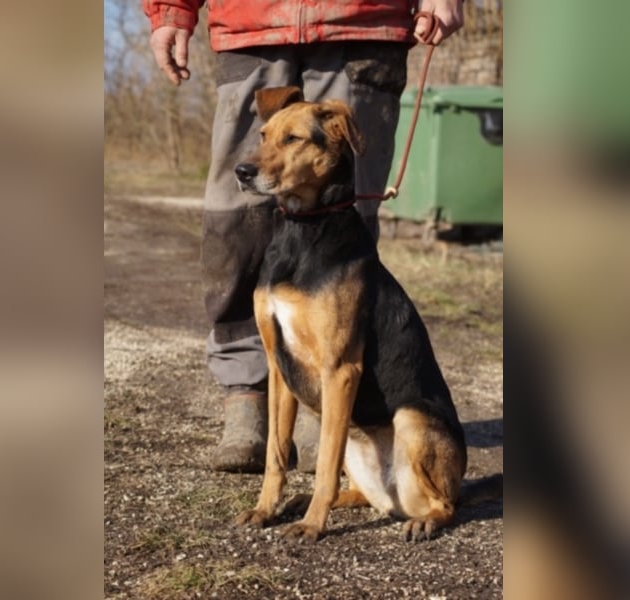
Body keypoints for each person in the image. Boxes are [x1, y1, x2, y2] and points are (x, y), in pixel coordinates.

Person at [143, 0, 465, 473]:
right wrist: (171, 11)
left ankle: (331, 409)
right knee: (234, 220)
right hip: (250, 24)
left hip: (362, 22)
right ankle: (247, 394)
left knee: (346, 221)